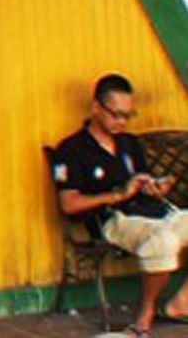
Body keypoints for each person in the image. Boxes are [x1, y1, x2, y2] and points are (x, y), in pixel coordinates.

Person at [52, 74, 188, 335]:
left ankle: (180, 304)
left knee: (167, 232)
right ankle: (144, 317)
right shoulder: (71, 149)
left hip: (153, 212)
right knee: (164, 241)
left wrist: (155, 187)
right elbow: (68, 204)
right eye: (116, 115)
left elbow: (143, 181)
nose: (122, 122)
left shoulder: (129, 143)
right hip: (114, 220)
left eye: (128, 115)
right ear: (96, 108)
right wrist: (117, 195)